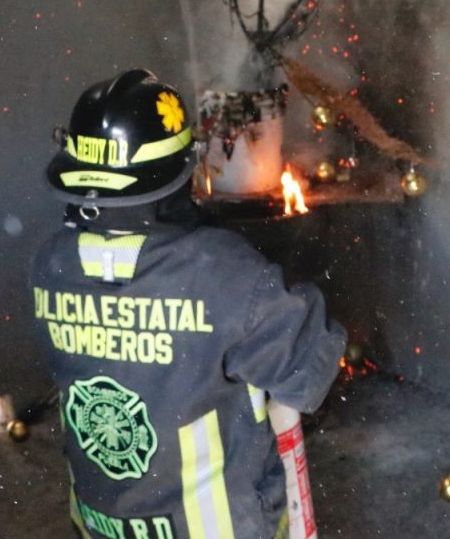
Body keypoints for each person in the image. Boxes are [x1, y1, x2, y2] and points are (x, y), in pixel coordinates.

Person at [29, 69, 346, 539]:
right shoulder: (222, 272)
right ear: (179, 175)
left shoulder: (48, 264)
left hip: (101, 525)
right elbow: (308, 371)